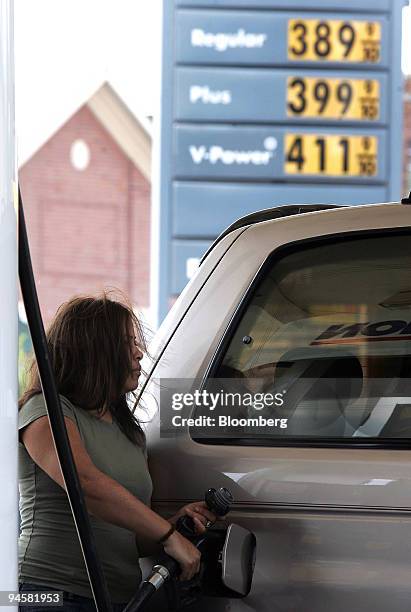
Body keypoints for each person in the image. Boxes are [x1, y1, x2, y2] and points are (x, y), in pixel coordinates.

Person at [18, 292, 217, 611]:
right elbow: (85, 484)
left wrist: (173, 523)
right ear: (95, 350)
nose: (139, 353)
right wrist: (168, 535)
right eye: (128, 343)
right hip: (45, 593)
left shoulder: (131, 434)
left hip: (115, 600)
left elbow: (130, 540)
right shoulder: (45, 411)